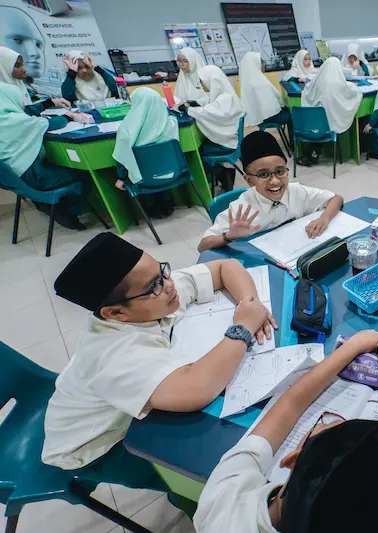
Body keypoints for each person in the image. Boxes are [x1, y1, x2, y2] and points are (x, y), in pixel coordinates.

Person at [42, 232, 277, 470]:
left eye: (162, 271)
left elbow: (225, 267)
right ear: (116, 313)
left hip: (119, 401)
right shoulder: (114, 355)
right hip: (97, 445)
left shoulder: (153, 298)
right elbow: (196, 390)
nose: (169, 284)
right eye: (154, 285)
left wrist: (250, 304)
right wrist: (243, 327)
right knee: (196, 464)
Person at [193, 332, 378, 533]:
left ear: (292, 460)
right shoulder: (377, 518)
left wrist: (351, 348)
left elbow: (289, 405)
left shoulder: (225, 504)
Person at [198, 131, 344, 252]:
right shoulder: (241, 210)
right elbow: (202, 246)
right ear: (249, 180)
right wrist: (228, 236)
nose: (274, 181)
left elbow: (336, 198)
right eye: (263, 174)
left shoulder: (296, 191)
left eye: (280, 171)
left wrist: (324, 218)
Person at [0, 83, 88, 230]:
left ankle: (49, 205)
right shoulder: (14, 121)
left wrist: (49, 103)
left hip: (15, 181)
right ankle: (70, 212)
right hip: (33, 178)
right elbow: (51, 123)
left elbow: (26, 112)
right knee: (83, 172)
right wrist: (68, 116)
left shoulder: (4, 117)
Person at [112, 87, 179, 218]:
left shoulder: (127, 130)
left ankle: (152, 210)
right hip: (172, 174)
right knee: (159, 166)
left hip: (142, 181)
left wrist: (121, 177)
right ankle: (167, 205)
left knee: (140, 171)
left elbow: (122, 158)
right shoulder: (171, 123)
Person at [300, 57, 363, 166]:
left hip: (318, 125)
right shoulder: (340, 83)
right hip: (334, 123)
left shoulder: (317, 82)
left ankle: (311, 153)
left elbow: (307, 90)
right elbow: (354, 91)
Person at [180, 64, 245, 155]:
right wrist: (194, 103)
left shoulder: (225, 98)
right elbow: (209, 102)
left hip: (227, 142)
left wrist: (188, 109)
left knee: (197, 149)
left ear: (211, 81)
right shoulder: (223, 95)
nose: (201, 84)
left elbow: (208, 113)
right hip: (228, 138)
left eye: (202, 81)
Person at [0, 46, 69, 113]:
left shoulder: (20, 86)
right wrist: (49, 103)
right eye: (17, 66)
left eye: (23, 65)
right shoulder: (3, 94)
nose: (24, 70)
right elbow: (22, 115)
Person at [239, 51, 290, 130]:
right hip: (269, 116)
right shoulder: (259, 83)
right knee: (293, 115)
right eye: (261, 62)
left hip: (262, 116)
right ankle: (294, 138)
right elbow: (272, 108)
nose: (264, 65)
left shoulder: (251, 81)